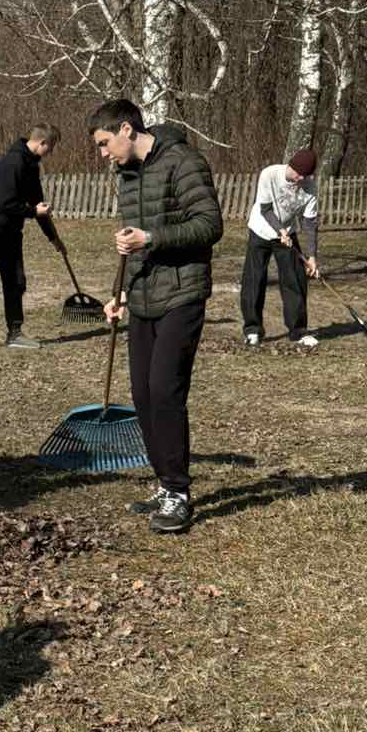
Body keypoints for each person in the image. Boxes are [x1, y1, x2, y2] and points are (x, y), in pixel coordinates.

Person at [90, 99, 223, 535]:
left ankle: (178, 493)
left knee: (165, 390)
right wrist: (121, 293)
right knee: (144, 396)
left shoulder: (183, 161)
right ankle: (165, 483)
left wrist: (151, 237)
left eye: (105, 143)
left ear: (127, 130)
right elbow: (133, 245)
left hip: (183, 293)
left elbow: (210, 225)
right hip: (143, 296)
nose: (103, 153)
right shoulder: (126, 176)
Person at [0, 124, 63, 350]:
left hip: (11, 231)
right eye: (51, 147)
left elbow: (37, 203)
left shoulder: (31, 165)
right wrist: (33, 211)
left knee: (16, 281)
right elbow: (4, 203)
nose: (51, 152)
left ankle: (15, 333)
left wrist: (53, 238)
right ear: (42, 143)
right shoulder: (13, 163)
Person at [241, 148, 321, 348]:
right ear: (291, 165)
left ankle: (298, 331)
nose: (300, 179)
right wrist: (280, 231)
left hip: (287, 233)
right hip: (261, 229)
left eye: (305, 176)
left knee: (295, 279)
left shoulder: (310, 187)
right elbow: (265, 209)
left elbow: (310, 223)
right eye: (298, 174)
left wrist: (312, 256)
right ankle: (252, 330)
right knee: (254, 279)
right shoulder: (269, 174)